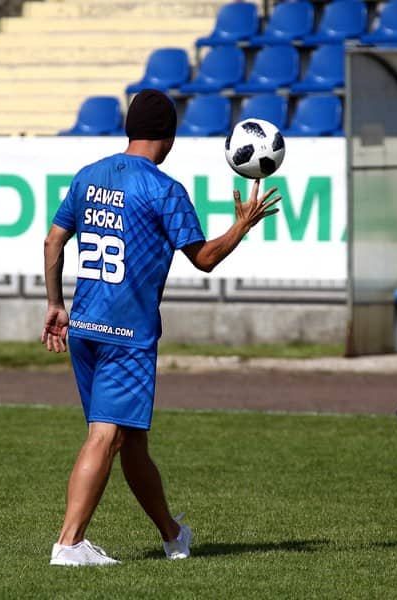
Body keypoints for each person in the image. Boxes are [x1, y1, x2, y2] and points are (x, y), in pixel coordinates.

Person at [41, 89, 280, 566]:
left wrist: (55, 304)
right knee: (105, 436)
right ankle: (69, 544)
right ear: (168, 137)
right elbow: (204, 258)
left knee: (131, 440)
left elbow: (53, 243)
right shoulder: (164, 189)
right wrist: (242, 226)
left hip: (84, 326)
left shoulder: (89, 176)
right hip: (126, 336)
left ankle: (173, 536)